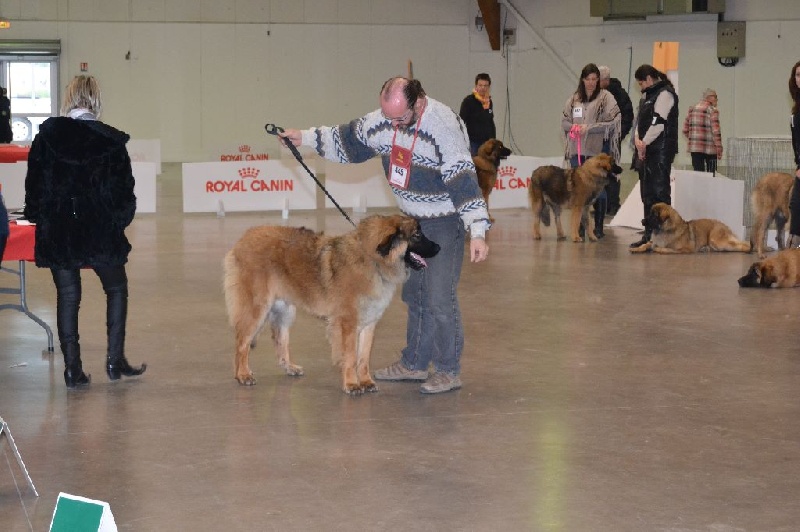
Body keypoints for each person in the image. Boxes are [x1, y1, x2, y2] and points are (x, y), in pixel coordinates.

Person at [280, 76, 490, 394]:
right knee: (415, 295)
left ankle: (448, 370)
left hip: (443, 221)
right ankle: (415, 363)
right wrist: (304, 138)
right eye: (388, 117)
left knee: (438, 298)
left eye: (399, 118)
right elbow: (347, 139)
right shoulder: (384, 121)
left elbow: (462, 178)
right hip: (408, 221)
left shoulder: (444, 126)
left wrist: (477, 229)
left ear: (419, 103)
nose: (392, 125)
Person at [24, 75, 146, 388]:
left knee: (67, 295)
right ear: (96, 100)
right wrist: (116, 224)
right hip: (101, 232)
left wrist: (40, 218)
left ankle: (72, 370)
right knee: (116, 288)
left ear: (69, 98)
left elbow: (35, 189)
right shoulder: (111, 142)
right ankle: (115, 361)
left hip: (59, 232)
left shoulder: (47, 137)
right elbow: (124, 196)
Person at [561, 63, 621, 238]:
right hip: (576, 151)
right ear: (582, 80)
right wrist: (573, 127)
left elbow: (615, 120)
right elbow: (564, 121)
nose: (591, 83)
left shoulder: (606, 98)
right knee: (579, 193)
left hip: (597, 153)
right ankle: (580, 228)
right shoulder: (574, 99)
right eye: (588, 79)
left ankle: (598, 227)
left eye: (595, 79)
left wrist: (590, 128)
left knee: (598, 191)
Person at [630, 65, 679, 248]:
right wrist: (637, 141)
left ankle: (665, 237)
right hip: (646, 150)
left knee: (660, 194)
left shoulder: (665, 94)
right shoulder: (647, 96)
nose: (641, 86)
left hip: (661, 151)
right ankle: (649, 236)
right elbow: (639, 122)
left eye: (641, 83)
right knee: (647, 194)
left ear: (649, 79)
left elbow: (659, 123)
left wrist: (644, 143)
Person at [598, 65, 633, 215]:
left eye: (597, 79)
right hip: (597, 140)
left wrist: (619, 134)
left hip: (612, 139)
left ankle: (613, 205)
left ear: (605, 80)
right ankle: (602, 205)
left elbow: (628, 116)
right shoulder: (595, 94)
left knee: (612, 171)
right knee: (599, 171)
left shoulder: (619, 94)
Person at [682, 88, 722, 173]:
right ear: (709, 97)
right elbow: (716, 131)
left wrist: (694, 139)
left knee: (698, 174)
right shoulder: (713, 110)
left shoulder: (692, 109)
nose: (717, 100)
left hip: (695, 149)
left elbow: (685, 129)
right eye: (715, 97)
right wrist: (719, 148)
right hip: (710, 149)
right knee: (712, 175)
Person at [459, 73, 496, 156]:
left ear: (489, 87)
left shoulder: (489, 102)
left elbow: (490, 121)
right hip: (473, 143)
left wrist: (493, 140)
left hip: (487, 144)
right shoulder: (468, 101)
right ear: (476, 86)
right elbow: (461, 121)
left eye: (485, 86)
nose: (483, 88)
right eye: (480, 85)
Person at [788, 61, 800, 248]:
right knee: (795, 206)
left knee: (796, 205)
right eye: (797, 75)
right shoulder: (797, 106)